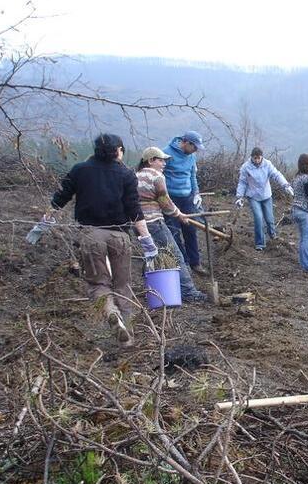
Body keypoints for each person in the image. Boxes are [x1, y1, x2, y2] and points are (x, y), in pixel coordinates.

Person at [48, 133, 158, 347]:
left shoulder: (80, 170)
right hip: (119, 235)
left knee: (98, 283)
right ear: (119, 150)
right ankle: (128, 335)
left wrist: (44, 220)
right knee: (123, 284)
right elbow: (134, 210)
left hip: (91, 235)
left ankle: (110, 313)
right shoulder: (126, 174)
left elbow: (60, 197)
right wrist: (146, 239)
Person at [136, 147, 206, 302]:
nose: (164, 164)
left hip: (139, 224)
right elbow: (164, 202)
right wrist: (179, 214)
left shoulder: (136, 176)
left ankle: (153, 290)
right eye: (160, 160)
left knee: (151, 256)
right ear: (151, 161)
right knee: (175, 255)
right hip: (154, 223)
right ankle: (189, 292)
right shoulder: (156, 176)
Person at [162, 131, 206, 274]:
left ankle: (195, 263)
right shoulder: (166, 154)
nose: (196, 150)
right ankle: (183, 263)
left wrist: (196, 193)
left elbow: (192, 176)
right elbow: (160, 177)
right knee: (174, 231)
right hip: (170, 199)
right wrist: (163, 197)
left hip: (187, 198)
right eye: (194, 147)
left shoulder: (191, 156)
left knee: (190, 229)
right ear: (186, 142)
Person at [234, 147, 294, 250]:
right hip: (253, 196)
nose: (257, 160)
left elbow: (276, 174)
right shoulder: (245, 167)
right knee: (258, 218)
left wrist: (285, 185)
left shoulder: (267, 164)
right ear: (251, 157)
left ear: (262, 157)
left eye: (259, 158)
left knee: (269, 218)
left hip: (266, 195)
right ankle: (260, 243)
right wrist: (239, 196)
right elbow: (242, 182)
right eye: (255, 158)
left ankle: (272, 235)